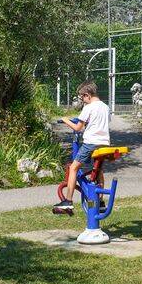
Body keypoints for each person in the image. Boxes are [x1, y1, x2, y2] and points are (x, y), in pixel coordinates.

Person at [53, 80, 111, 212]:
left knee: (73, 168)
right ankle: (101, 202)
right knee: (98, 170)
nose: (83, 100)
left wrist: (66, 120)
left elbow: (78, 127)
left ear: (87, 95)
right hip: (104, 144)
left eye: (82, 97)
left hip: (91, 143)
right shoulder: (105, 107)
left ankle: (68, 201)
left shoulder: (89, 107)